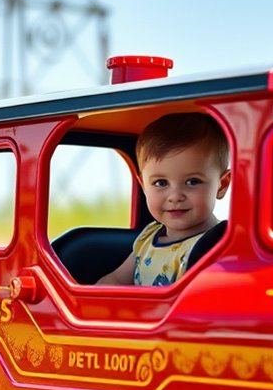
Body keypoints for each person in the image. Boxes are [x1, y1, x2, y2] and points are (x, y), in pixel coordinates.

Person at [97, 113, 231, 287]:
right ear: (144, 186)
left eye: (193, 182)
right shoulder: (147, 238)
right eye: (161, 183)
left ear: (221, 185)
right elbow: (115, 280)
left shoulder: (219, 244)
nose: (175, 196)